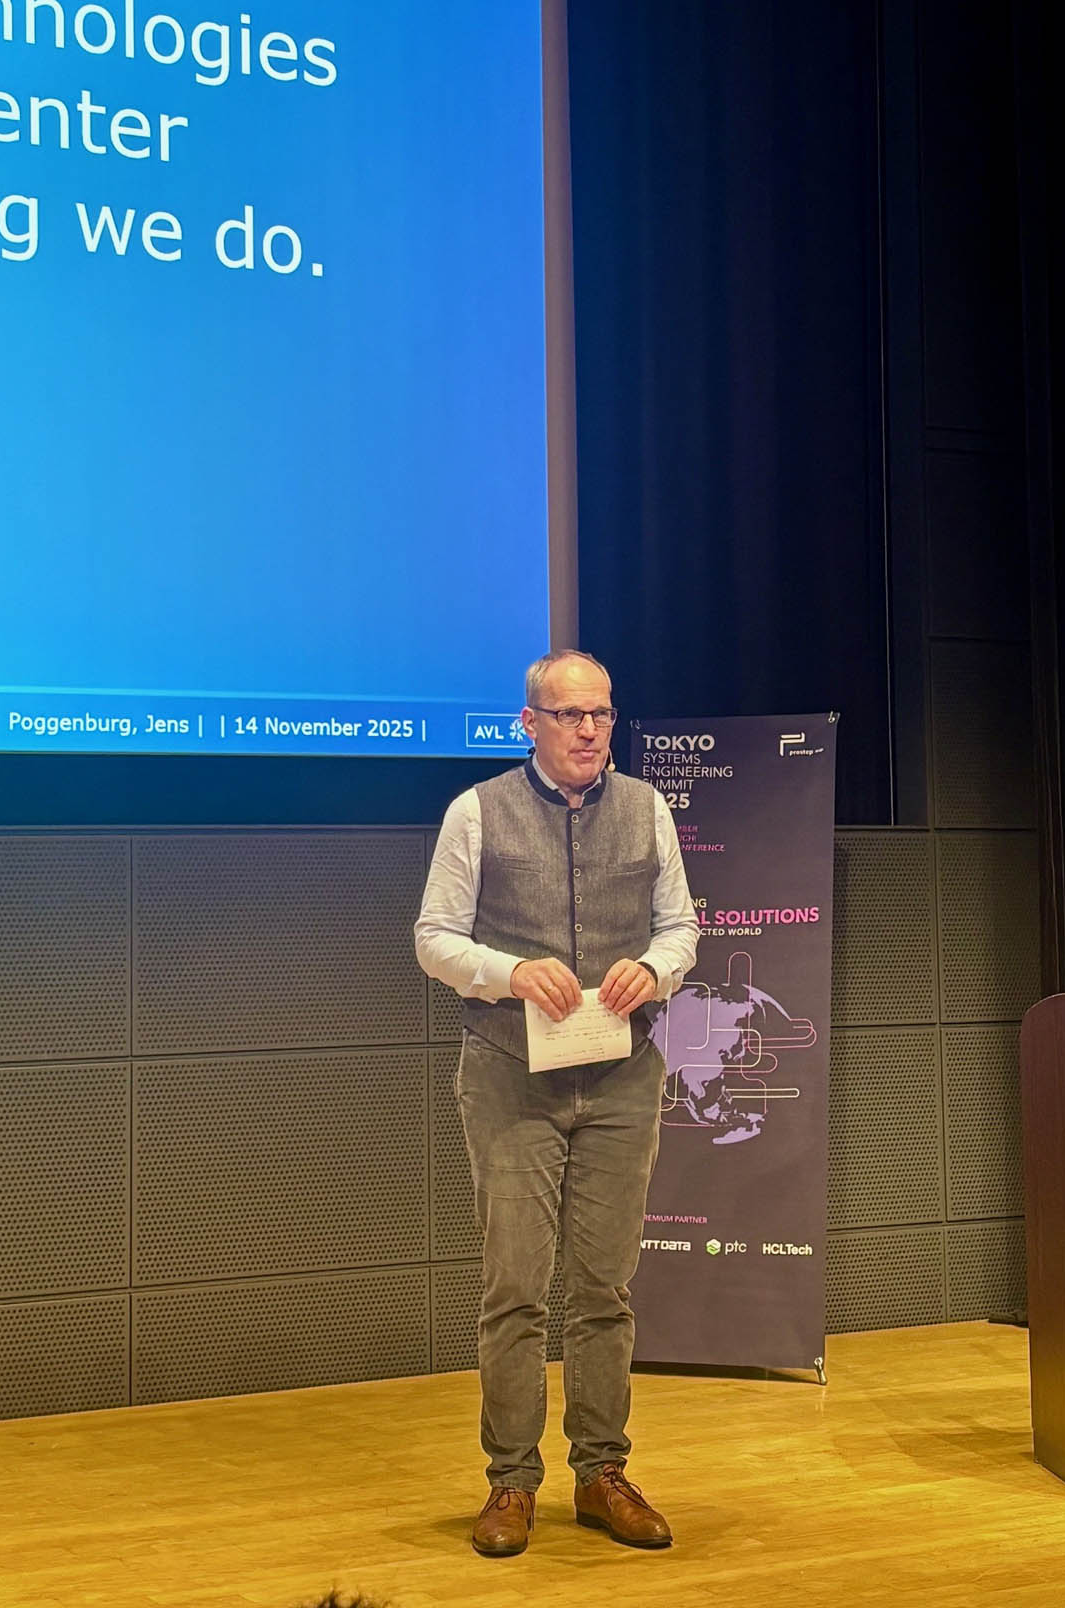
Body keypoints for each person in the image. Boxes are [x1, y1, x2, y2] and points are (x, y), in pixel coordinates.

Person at [415, 650, 699, 1557]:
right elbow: (434, 939)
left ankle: (602, 1473)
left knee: (605, 1287)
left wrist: (653, 968)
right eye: (570, 715)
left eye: (602, 714)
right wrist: (507, 972)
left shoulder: (647, 809)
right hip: (512, 1079)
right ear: (528, 722)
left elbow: (681, 927)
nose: (589, 730)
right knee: (516, 1289)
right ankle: (511, 1482)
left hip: (620, 1075)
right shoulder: (477, 811)